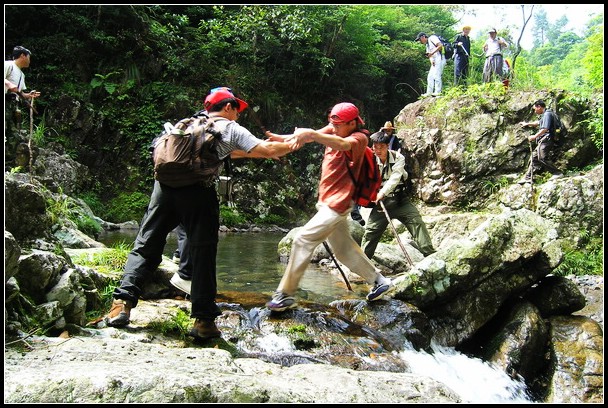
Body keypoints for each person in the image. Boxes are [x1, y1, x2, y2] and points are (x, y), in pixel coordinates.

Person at [104, 87, 299, 340]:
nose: (238, 116)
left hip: (163, 189)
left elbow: (229, 152)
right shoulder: (230, 128)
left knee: (146, 246)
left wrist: (259, 149)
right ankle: (204, 321)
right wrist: (296, 143)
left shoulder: (187, 123)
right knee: (203, 252)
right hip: (197, 192)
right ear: (228, 107)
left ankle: (121, 305)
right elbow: (267, 150)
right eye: (237, 110)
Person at [264, 102, 394, 312]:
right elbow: (313, 134)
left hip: (338, 204)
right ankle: (380, 282)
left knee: (302, 239)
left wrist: (313, 135)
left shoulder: (359, 138)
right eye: (332, 123)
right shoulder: (335, 128)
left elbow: (339, 144)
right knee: (343, 251)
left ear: (352, 123)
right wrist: (285, 138)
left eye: (339, 125)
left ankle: (284, 295)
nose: (333, 128)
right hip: (327, 203)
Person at [361, 132, 436, 260]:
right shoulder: (369, 160)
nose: (378, 150)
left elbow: (395, 178)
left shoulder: (398, 157)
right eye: (375, 147)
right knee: (371, 233)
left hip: (400, 200)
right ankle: (362, 264)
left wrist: (382, 193)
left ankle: (431, 257)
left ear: (387, 146)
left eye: (381, 147)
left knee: (417, 223)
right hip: (381, 204)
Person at [5, 46, 41, 163]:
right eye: (29, 57)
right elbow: (10, 86)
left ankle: (8, 162)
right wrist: (9, 84)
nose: (30, 60)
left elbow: (19, 93)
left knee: (12, 134)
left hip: (12, 105)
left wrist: (29, 95)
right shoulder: (8, 65)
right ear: (23, 56)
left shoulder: (21, 74)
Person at [517, 99, 563, 184]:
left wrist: (534, 136)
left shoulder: (547, 114)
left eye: (535, 109)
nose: (535, 111)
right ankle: (528, 177)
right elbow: (539, 123)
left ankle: (557, 173)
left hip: (546, 140)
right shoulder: (546, 114)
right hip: (545, 140)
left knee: (541, 158)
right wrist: (527, 124)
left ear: (539, 107)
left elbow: (545, 128)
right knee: (534, 158)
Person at [415, 32, 446, 97]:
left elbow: (440, 46)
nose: (420, 41)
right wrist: (431, 60)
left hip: (440, 58)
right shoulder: (427, 45)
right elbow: (429, 55)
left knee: (437, 75)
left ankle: (438, 92)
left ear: (423, 37)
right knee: (430, 76)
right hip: (434, 60)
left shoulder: (432, 38)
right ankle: (429, 92)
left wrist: (432, 53)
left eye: (419, 40)